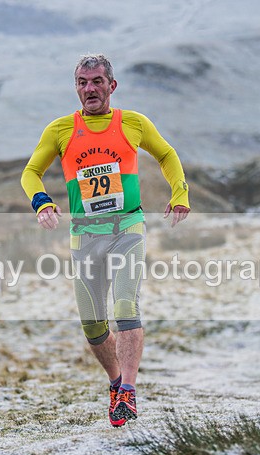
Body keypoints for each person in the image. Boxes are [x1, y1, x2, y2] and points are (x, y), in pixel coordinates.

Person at [20, 54, 190, 427]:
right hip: (85, 235)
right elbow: (31, 172)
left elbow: (167, 154)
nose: (90, 89)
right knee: (93, 325)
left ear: (112, 86)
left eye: (97, 81)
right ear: (76, 88)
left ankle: (128, 391)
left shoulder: (133, 122)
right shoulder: (61, 129)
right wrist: (41, 202)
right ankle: (116, 382)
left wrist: (180, 193)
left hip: (127, 227)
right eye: (82, 82)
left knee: (126, 305)